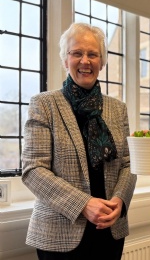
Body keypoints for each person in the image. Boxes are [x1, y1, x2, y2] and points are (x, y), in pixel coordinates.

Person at [21, 22, 137, 260]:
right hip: (58, 235)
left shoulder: (118, 109)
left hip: (110, 231)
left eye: (93, 54)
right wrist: (84, 204)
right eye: (77, 53)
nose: (85, 61)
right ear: (65, 60)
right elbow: (33, 169)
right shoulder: (44, 104)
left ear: (102, 62)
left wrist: (119, 200)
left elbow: (128, 163)